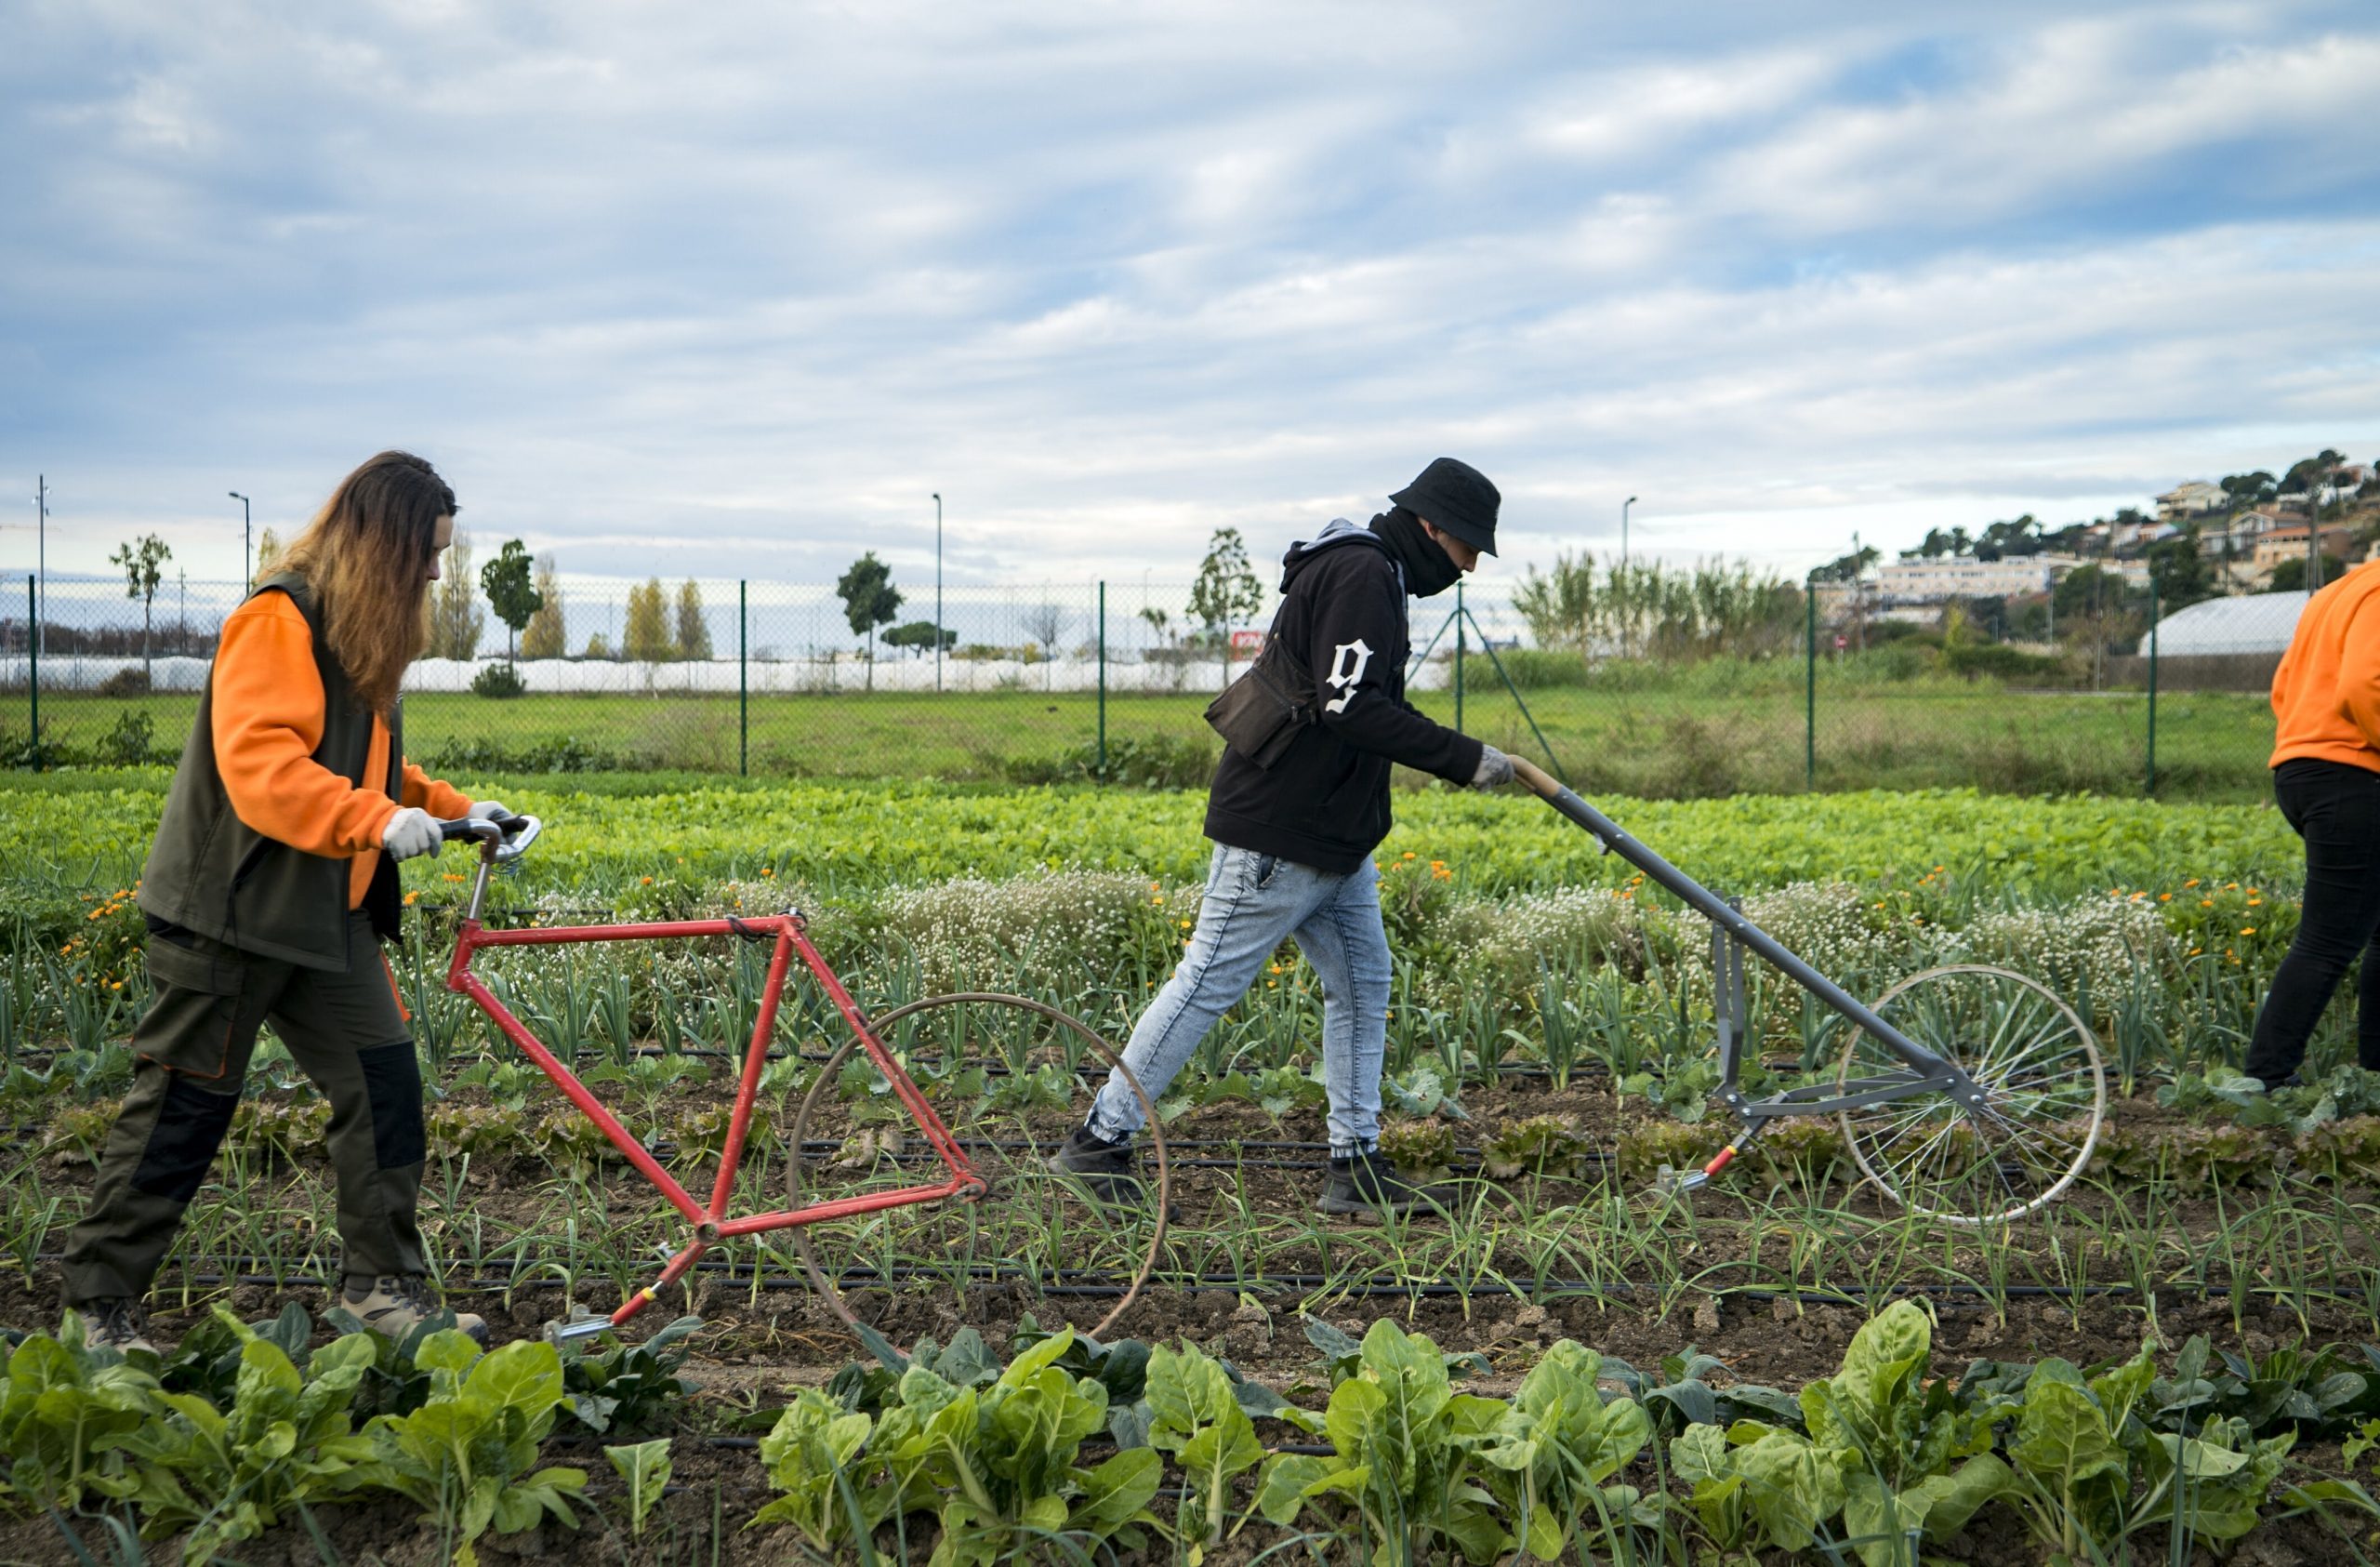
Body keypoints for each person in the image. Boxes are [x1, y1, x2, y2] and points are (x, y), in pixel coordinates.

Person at [62, 451, 509, 1353]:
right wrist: (376, 820)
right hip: (231, 910)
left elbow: (366, 765)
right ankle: (96, 1312)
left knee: (384, 1085)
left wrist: (456, 810)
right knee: (183, 1108)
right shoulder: (278, 618)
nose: (434, 569)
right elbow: (266, 767)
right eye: (426, 550)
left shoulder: (360, 630)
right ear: (382, 541)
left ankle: (382, 1289)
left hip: (324, 916)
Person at [1049, 458, 1514, 1217]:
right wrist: (1466, 758)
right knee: (1206, 982)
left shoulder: (1377, 574)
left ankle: (1354, 1163)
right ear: (1436, 529)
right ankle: (1100, 1140)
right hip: (1281, 830)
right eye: (1468, 550)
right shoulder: (1364, 575)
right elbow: (1350, 707)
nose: (1466, 569)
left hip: (1333, 838)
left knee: (1364, 984)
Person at [2244, 558, 2380, 1092]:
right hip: (2355, 776)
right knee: (2328, 941)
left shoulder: (2337, 591)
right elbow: (2363, 684)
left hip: (2303, 769)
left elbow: (2286, 685)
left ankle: (2375, 1075)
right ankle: (2268, 1080)